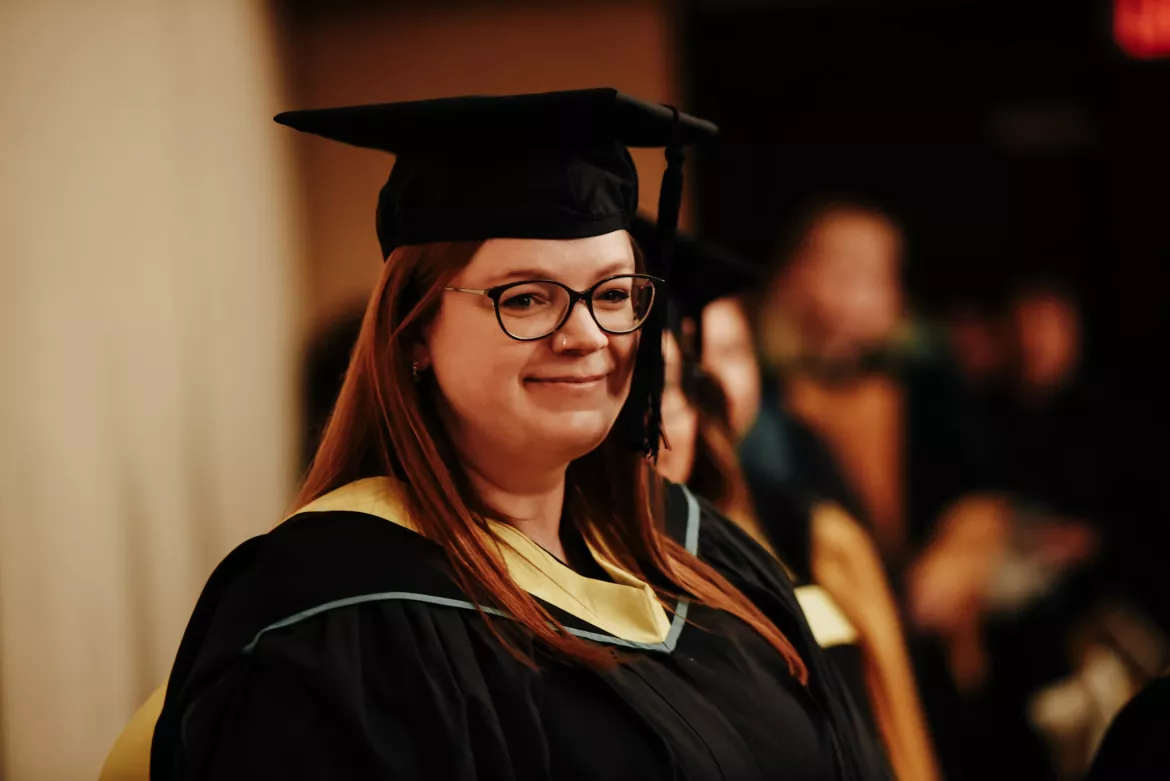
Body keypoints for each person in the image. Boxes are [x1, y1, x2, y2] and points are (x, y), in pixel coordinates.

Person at [146, 90, 889, 780]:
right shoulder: (330, 610)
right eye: (526, 298)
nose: (585, 334)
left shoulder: (707, 552)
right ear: (415, 332)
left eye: (613, 293)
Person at [634, 216, 939, 781]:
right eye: (676, 373)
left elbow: (898, 725)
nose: (713, 384)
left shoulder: (811, 526)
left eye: (732, 352)